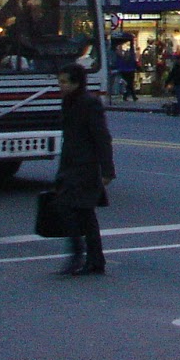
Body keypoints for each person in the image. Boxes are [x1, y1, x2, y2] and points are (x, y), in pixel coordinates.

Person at [54, 63, 115, 275]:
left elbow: (102, 137)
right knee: (74, 211)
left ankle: (86, 258)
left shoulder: (89, 103)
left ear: (76, 83)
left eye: (64, 82)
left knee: (80, 212)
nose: (60, 86)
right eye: (59, 81)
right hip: (71, 165)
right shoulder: (69, 102)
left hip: (85, 166)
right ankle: (89, 258)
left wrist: (107, 170)